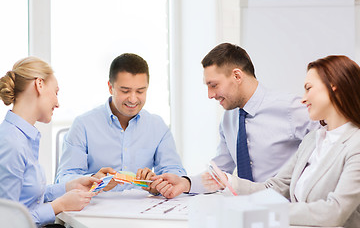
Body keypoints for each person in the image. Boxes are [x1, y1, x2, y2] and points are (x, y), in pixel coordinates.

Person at [202, 55, 360, 227]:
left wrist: (263, 211)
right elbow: (276, 187)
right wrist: (229, 182)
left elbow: (334, 212)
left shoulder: (355, 144)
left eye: (308, 88)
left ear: (333, 87)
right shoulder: (312, 140)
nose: (303, 99)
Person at [150, 43, 318, 197]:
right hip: (245, 211)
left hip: (287, 212)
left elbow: (329, 153)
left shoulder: (291, 108)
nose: (210, 95)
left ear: (237, 76)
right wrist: (185, 183)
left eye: (214, 85)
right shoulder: (229, 119)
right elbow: (220, 172)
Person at [55, 53, 186, 193]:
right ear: (110, 87)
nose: (133, 99)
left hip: (142, 209)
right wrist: (94, 180)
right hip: (95, 208)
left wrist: (158, 183)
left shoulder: (157, 126)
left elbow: (175, 172)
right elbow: (64, 179)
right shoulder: (83, 125)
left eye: (140, 91)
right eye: (125, 91)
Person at [0, 57, 100, 227]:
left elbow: (28, 197)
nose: (58, 103)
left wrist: (69, 187)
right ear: (39, 84)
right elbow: (7, 220)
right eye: (56, 92)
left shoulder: (22, 137)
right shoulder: (11, 143)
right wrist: (58, 205)